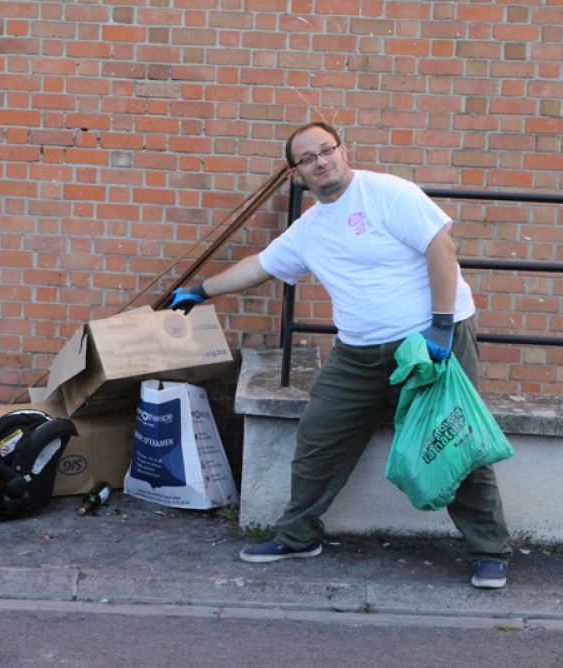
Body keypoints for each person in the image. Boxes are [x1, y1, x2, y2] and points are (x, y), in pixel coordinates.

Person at [169, 122, 512, 589]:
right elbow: (260, 266)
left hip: (427, 343)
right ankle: (298, 536)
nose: (320, 162)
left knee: (452, 441)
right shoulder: (308, 230)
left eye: (326, 150)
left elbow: (441, 245)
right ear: (297, 174)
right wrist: (200, 290)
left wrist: (441, 323)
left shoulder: (386, 193)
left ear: (344, 151)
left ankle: (489, 551)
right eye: (307, 158)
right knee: (318, 438)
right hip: (358, 354)